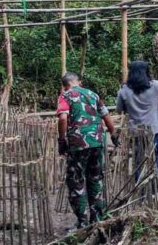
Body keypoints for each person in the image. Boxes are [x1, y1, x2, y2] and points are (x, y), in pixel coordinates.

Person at [57, 72, 117, 228]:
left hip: (78, 143)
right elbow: (106, 115)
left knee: (76, 180)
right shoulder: (93, 94)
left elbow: (63, 118)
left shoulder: (65, 96)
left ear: (64, 85)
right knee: (95, 178)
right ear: (80, 82)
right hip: (97, 141)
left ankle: (82, 222)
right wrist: (113, 133)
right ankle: (97, 219)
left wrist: (61, 140)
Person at [116, 60, 158, 200]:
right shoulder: (154, 86)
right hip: (153, 129)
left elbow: (119, 109)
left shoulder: (124, 90)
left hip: (135, 131)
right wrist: (151, 80)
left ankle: (140, 189)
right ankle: (154, 189)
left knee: (138, 159)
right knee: (154, 157)